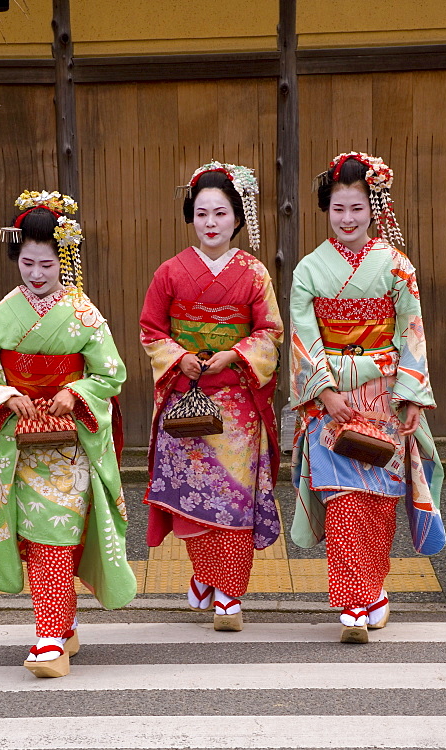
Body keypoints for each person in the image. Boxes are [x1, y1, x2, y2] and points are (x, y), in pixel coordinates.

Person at [0, 189, 136, 676]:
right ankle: (60, 627)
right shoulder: (3, 315)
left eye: (46, 263)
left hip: (68, 445)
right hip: (20, 439)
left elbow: (112, 373)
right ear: (16, 258)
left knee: (57, 533)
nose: (37, 274)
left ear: (62, 260)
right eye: (27, 263)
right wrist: (4, 396)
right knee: (33, 537)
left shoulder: (84, 313)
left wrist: (77, 390)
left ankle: (47, 642)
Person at [290, 152, 445, 643]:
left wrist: (413, 393)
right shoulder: (309, 269)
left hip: (383, 391)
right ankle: (352, 597)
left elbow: (411, 329)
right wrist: (326, 392)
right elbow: (301, 333)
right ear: (327, 210)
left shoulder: (397, 267)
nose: (348, 219)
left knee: (379, 495)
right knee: (342, 499)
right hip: (330, 398)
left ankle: (372, 590)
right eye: (338, 209)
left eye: (356, 208)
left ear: (372, 208)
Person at [140, 161, 283, 631]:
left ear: (238, 218)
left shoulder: (254, 273)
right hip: (187, 398)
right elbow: (151, 329)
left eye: (220, 214)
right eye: (202, 214)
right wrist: (177, 356)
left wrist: (236, 354)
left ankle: (228, 595)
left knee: (235, 499)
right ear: (191, 216)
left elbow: (270, 331)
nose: (211, 224)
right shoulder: (170, 272)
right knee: (194, 496)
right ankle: (206, 573)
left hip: (238, 406)